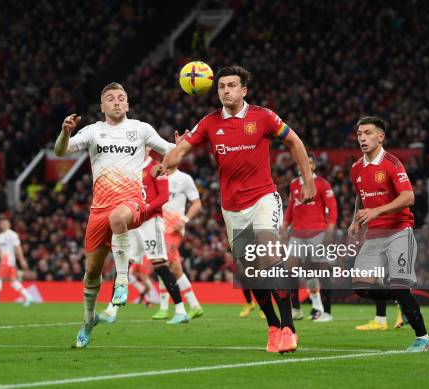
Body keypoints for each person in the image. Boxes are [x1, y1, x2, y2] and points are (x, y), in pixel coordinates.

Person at [163, 65, 315, 354]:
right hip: (232, 208)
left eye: (232, 85)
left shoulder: (263, 116)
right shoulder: (209, 122)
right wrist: (167, 161)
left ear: (244, 90)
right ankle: (272, 326)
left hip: (264, 197)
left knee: (268, 255)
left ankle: (288, 328)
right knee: (250, 272)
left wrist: (308, 181)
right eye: (221, 86)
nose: (226, 90)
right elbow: (182, 149)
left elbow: (294, 141)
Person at [54, 82, 179, 348]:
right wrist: (65, 133)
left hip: (132, 201)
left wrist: (182, 146)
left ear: (128, 104)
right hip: (98, 209)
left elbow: (170, 149)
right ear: (102, 107)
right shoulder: (93, 132)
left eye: (121, 98)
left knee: (119, 218)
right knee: (91, 273)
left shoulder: (141, 129)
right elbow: (60, 151)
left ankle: (121, 280)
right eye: (110, 99)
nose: (117, 102)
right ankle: (88, 321)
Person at [348, 116, 429, 352]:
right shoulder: (356, 167)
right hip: (374, 235)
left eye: (367, 133)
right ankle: (401, 299)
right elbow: (360, 195)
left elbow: (409, 197)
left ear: (381, 137)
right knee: (360, 286)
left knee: (398, 284)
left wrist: (376, 211)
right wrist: (355, 220)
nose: (362, 138)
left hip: (398, 232)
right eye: (359, 134)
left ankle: (423, 338)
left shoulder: (392, 163)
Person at [99, 149, 189, 324]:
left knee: (160, 265)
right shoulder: (129, 168)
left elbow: (163, 196)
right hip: (134, 222)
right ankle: (111, 310)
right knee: (123, 266)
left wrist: (145, 208)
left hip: (151, 223)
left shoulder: (157, 167)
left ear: (148, 148)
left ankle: (181, 310)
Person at [284, 155, 337, 322]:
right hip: (297, 234)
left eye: (310, 162)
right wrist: (284, 227)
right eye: (302, 161)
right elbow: (291, 208)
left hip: (317, 233)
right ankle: (296, 309)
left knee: (320, 271)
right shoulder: (293, 184)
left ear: (314, 166)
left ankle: (325, 312)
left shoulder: (322, 184)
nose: (306, 165)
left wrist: (329, 232)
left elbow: (333, 210)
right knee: (290, 269)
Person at [160, 166, 203, 319]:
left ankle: (176, 308)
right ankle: (194, 305)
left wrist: (184, 220)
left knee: (166, 265)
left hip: (174, 229)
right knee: (170, 267)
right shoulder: (157, 175)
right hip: (158, 228)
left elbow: (197, 203)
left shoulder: (184, 178)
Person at [0, 218, 33, 307]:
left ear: (9, 224)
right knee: (13, 282)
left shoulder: (12, 235)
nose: (3, 225)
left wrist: (22, 260)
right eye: (2, 223)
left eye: (5, 223)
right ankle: (28, 297)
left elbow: (18, 248)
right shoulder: (0, 236)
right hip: (6, 261)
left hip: (8, 260)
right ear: (0, 225)